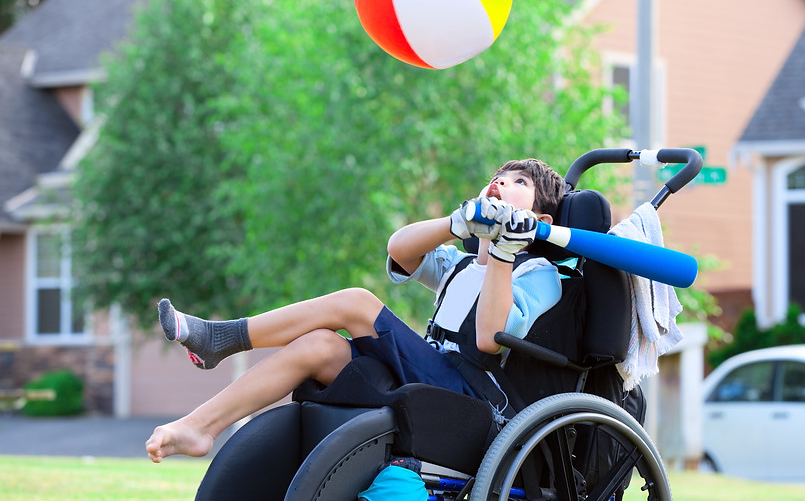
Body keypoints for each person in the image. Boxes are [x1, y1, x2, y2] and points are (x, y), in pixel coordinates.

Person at [145, 158, 565, 463]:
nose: (498, 182)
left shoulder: (540, 273)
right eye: (496, 177)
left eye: (517, 182)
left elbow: (489, 337)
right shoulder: (457, 265)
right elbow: (399, 247)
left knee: (357, 303)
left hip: (472, 400)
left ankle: (222, 338)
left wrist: (508, 251)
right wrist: (457, 224)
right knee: (320, 346)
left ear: (540, 217)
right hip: (429, 373)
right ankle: (200, 427)